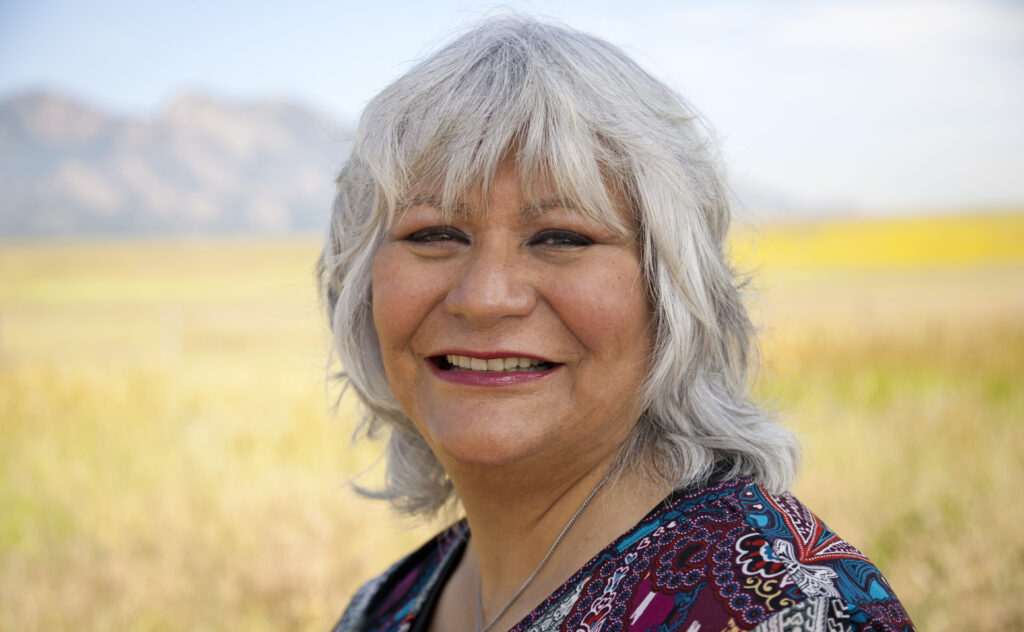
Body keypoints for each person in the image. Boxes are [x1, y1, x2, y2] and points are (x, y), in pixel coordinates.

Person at [319, 16, 914, 632]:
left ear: (673, 290)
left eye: (562, 237)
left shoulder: (789, 612)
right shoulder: (381, 610)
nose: (485, 297)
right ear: (360, 285)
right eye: (435, 234)